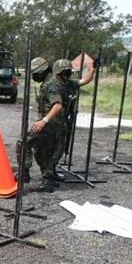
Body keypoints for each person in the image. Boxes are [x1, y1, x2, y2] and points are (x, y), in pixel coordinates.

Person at [17, 57, 95, 192]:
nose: (34, 77)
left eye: (35, 74)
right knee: (51, 150)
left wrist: (44, 121)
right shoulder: (66, 82)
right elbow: (84, 80)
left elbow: (57, 105)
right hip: (61, 124)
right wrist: (93, 68)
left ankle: (25, 174)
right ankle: (48, 177)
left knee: (24, 143)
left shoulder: (51, 84)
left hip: (50, 124)